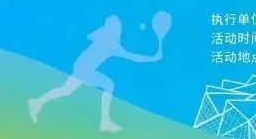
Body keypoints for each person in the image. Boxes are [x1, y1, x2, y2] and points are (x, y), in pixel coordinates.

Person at [28, 14, 163, 132]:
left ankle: (36, 103)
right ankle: (104, 122)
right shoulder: (113, 45)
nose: (119, 28)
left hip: (81, 66)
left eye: (118, 26)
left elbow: (89, 36)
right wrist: (153, 58)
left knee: (67, 90)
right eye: (117, 26)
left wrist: (103, 30)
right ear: (113, 29)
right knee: (106, 85)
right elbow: (134, 57)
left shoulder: (103, 36)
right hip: (84, 68)